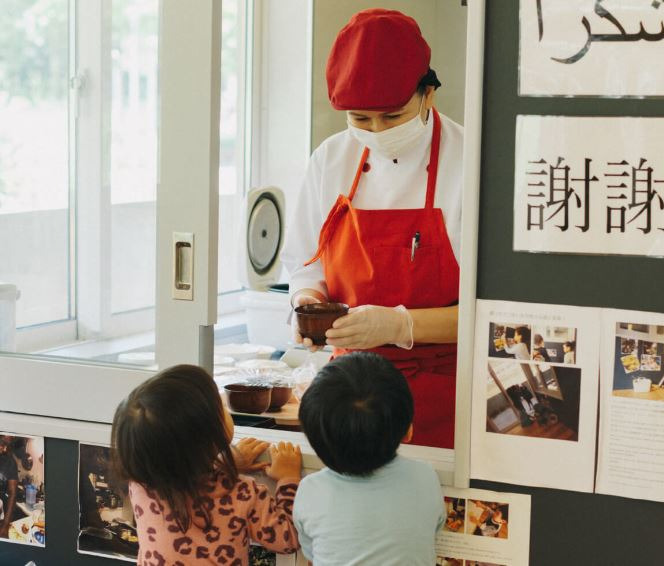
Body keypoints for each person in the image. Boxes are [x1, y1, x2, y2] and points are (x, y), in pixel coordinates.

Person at [281, 8, 464, 449]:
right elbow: (306, 268)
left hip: (445, 399)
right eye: (361, 119)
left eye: (393, 116)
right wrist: (308, 304)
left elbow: (497, 315)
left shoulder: (471, 162)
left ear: (429, 95)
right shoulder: (331, 159)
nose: (377, 131)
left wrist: (399, 326)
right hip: (349, 401)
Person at [110, 365, 302, 564]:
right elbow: (288, 539)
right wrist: (288, 480)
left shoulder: (140, 485)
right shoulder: (241, 492)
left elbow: (183, 474)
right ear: (209, 434)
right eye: (220, 406)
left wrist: (224, 464)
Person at [293, 352, 445, 565]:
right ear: (408, 431)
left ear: (317, 445)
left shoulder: (310, 490)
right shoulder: (425, 478)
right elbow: (435, 526)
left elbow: (311, 552)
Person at [0, 435, 19, 538]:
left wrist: (5, 525)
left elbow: (13, 494)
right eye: (2, 444)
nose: (4, 449)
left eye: (5, 445)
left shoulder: (10, 462)